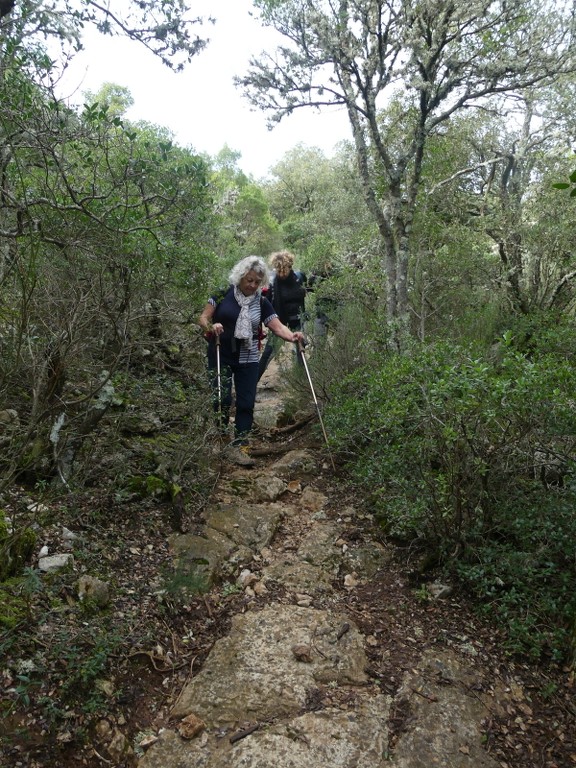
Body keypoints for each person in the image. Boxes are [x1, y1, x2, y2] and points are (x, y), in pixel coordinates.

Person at [198, 255, 305, 466]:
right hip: (221, 353)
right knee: (221, 398)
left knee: (246, 402)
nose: (253, 285)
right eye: (249, 280)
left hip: (248, 357)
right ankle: (220, 438)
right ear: (240, 277)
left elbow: (276, 325)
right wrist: (212, 327)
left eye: (257, 282)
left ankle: (240, 445)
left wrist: (292, 336)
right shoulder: (222, 295)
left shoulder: (262, 302)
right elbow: (203, 318)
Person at [257, 251, 307, 382]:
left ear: (290, 266)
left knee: (300, 350)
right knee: (268, 352)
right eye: (279, 270)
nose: (282, 273)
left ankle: (303, 384)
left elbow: (307, 290)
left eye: (285, 269)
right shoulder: (272, 281)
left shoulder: (299, 277)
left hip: (298, 319)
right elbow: (265, 302)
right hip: (279, 321)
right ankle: (252, 383)